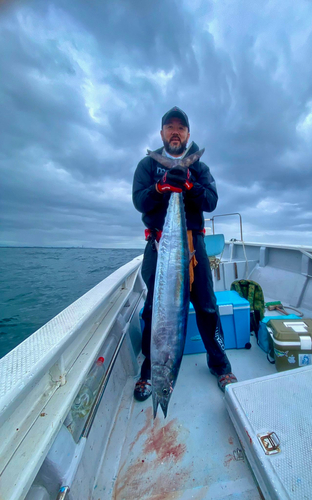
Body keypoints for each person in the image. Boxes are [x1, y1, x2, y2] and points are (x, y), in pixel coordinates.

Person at [132, 106, 237, 402]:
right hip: (159, 244)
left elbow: (211, 200)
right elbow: (139, 201)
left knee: (206, 306)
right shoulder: (147, 166)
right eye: (169, 126)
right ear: (162, 132)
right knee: (154, 309)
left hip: (194, 244)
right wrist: (160, 186)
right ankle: (149, 371)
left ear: (188, 134)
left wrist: (188, 185)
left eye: (181, 127)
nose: (175, 131)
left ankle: (220, 365)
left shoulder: (199, 168)